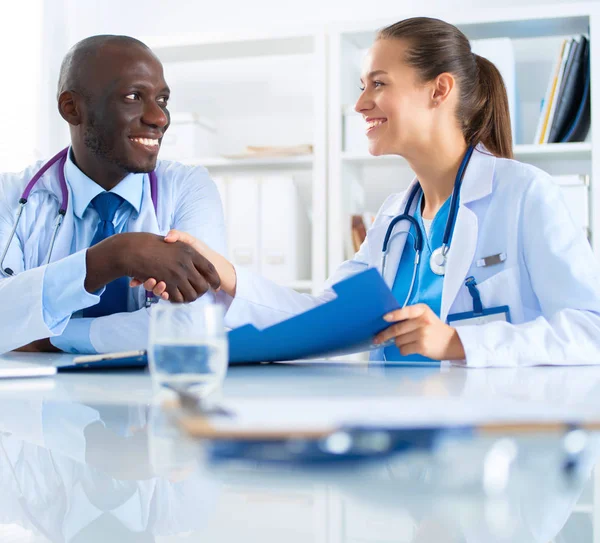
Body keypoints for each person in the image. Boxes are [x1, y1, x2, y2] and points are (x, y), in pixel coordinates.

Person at [139, 17, 600, 367]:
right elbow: (321, 317)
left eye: (378, 84)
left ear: (439, 90)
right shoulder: (395, 217)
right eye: (362, 87)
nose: (359, 104)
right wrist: (221, 272)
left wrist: (460, 343)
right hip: (397, 449)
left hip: (489, 458)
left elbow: (590, 330)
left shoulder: (523, 194)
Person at [0, 35, 224, 355]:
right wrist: (112, 257)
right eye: (133, 96)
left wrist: (45, 337)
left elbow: (195, 325)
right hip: (35, 401)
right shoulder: (11, 195)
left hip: (156, 398)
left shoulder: (188, 188)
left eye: (162, 100)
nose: (159, 118)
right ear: (72, 108)